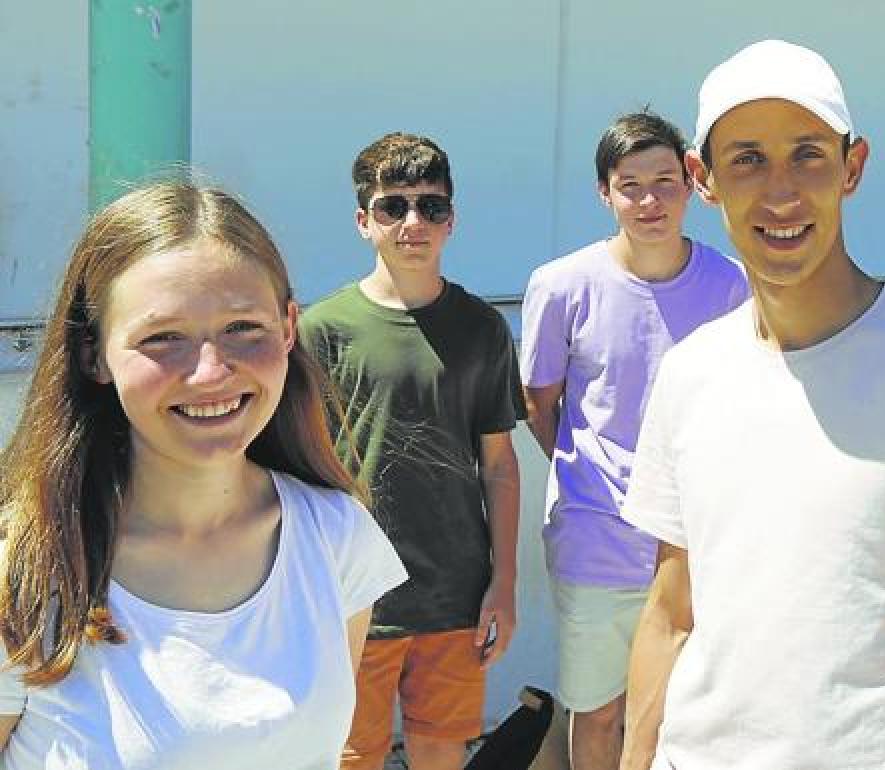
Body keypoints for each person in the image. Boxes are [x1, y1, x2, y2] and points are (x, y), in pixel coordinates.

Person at [619, 39, 885, 770]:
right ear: (704, 178)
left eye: (808, 154)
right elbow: (669, 616)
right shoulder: (690, 372)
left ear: (853, 166)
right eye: (747, 158)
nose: (780, 192)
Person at [0, 181, 407, 769]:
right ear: (94, 355)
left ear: (289, 327)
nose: (211, 372)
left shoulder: (336, 536)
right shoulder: (26, 570)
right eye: (163, 337)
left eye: (244, 327)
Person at [521, 109, 748, 770]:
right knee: (598, 714)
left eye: (665, 181)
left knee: (687, 716)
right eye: (630, 185)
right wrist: (596, 474)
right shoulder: (560, 284)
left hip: (701, 547)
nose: (649, 200)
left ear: (693, 183)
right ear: (604, 192)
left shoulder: (733, 283)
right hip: (596, 541)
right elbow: (542, 403)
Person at [300, 133, 525, 770]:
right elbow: (296, 463)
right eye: (393, 207)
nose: (413, 223)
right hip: (353, 597)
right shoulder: (324, 329)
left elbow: (500, 466)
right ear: (363, 221)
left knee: (440, 750)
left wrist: (503, 584)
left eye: (431, 207)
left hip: (456, 594)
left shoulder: (481, 327)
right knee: (350, 754)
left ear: (452, 219)